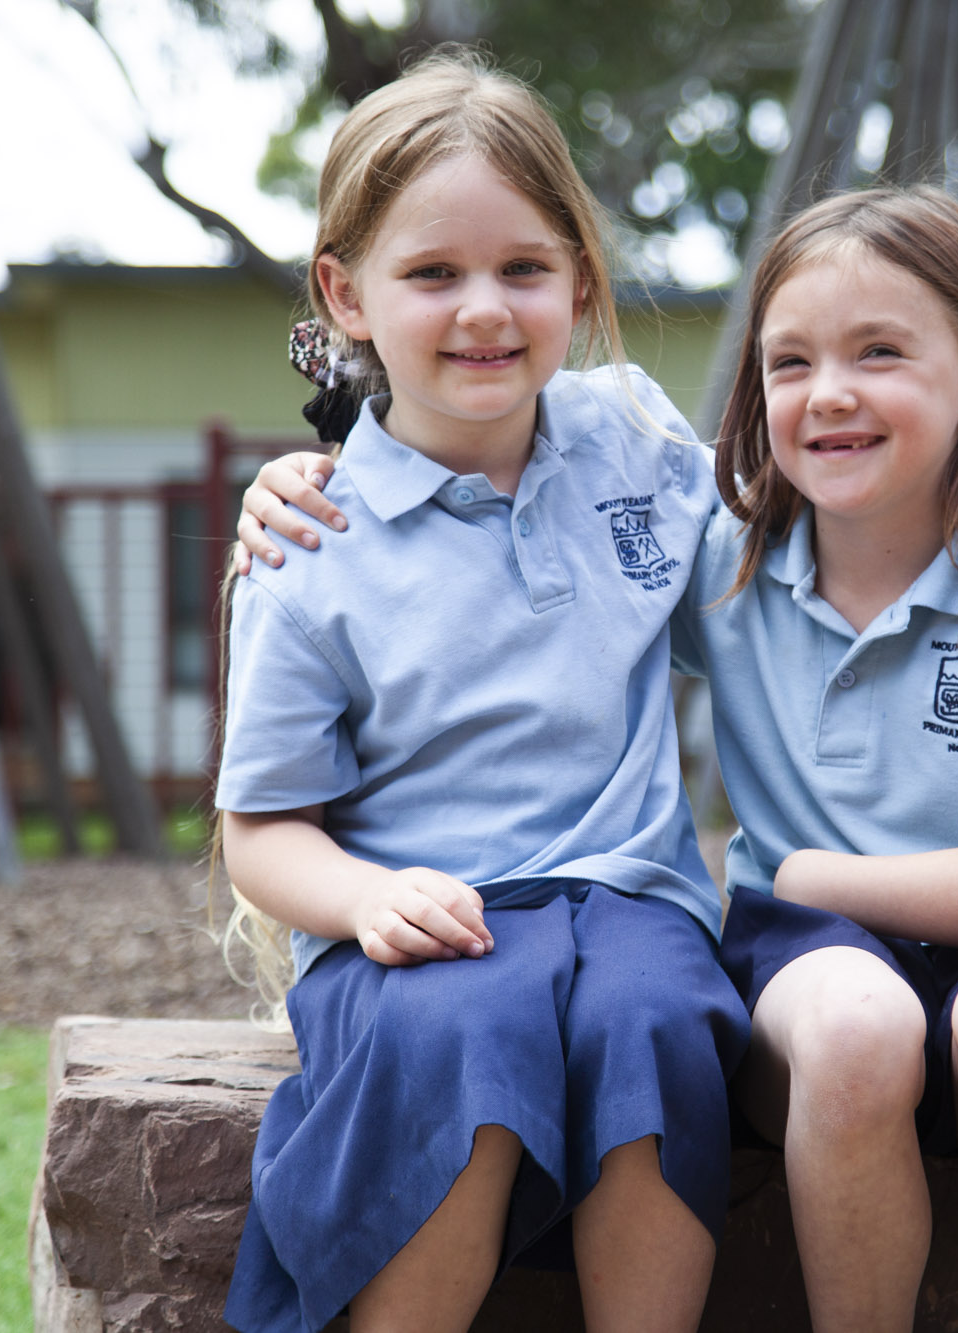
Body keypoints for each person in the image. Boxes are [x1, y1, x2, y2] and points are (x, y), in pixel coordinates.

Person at [237, 186, 958, 1333]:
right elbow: (514, 558)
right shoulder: (728, 560)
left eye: (878, 352)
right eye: (789, 362)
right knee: (853, 1024)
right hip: (820, 978)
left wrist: (813, 875)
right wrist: (312, 475)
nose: (829, 392)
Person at [212, 49, 748, 1333]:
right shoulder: (309, 546)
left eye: (521, 268)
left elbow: (775, 575)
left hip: (625, 894)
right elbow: (260, 833)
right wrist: (365, 896)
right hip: (422, 927)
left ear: (577, 271)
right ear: (345, 294)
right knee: (473, 1021)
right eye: (433, 274)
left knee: (657, 1012)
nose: (484, 311)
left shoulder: (632, 436)